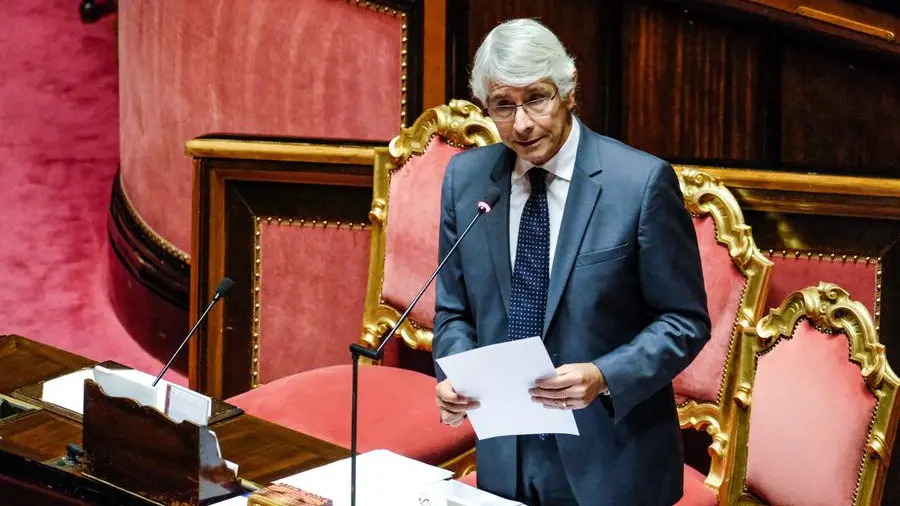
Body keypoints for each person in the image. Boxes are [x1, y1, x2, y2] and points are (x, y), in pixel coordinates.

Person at [431, 18, 711, 506]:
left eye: (536, 99)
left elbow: (684, 321)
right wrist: (457, 379)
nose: (522, 123)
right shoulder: (466, 180)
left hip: (610, 454)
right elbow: (453, 311)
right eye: (503, 105)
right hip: (507, 454)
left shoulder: (639, 184)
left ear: (568, 91)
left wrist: (604, 375)